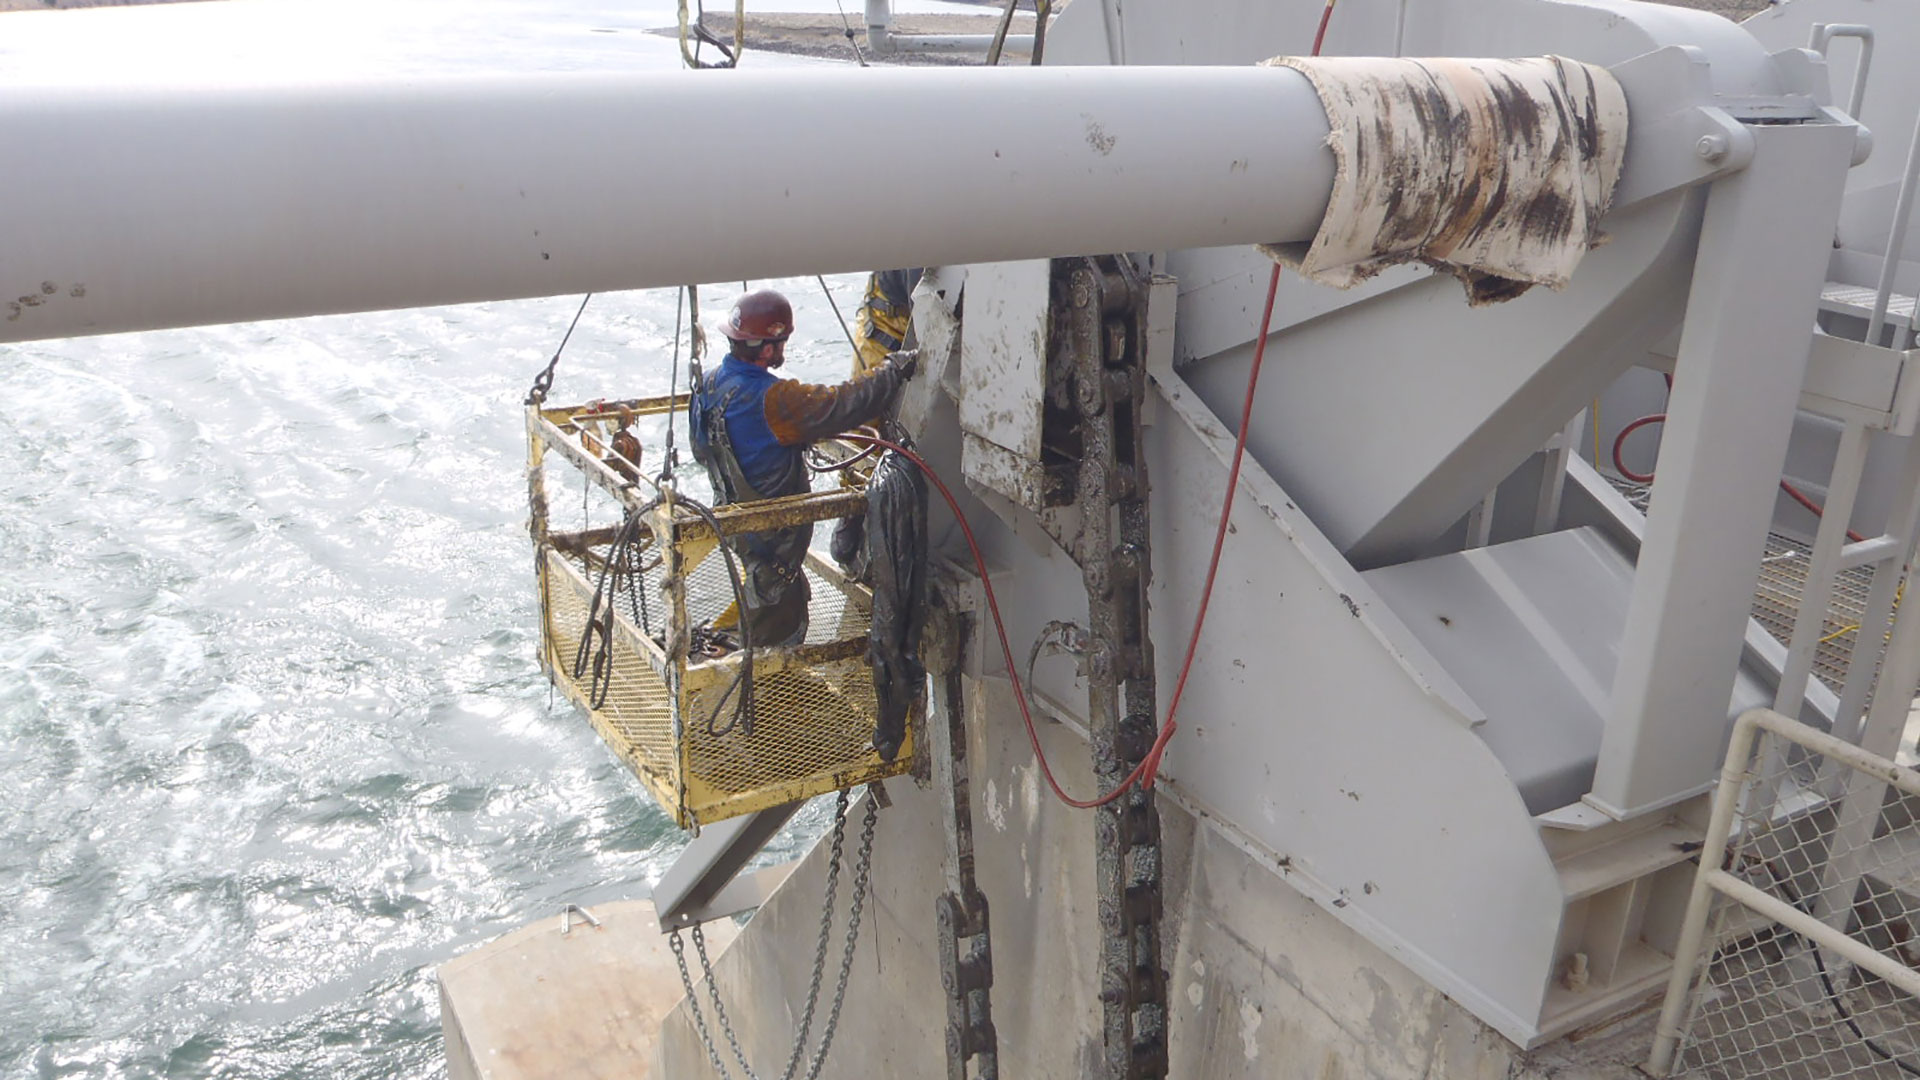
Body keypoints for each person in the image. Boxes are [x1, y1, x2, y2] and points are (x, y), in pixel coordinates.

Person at [690, 289, 917, 648]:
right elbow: (843, 405)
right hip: (773, 538)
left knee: (766, 596)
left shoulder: (706, 384)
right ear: (767, 348)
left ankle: (752, 662)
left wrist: (763, 448)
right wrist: (892, 371)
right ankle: (764, 691)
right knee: (778, 623)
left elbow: (704, 450)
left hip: (733, 519)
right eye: (780, 343)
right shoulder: (774, 398)